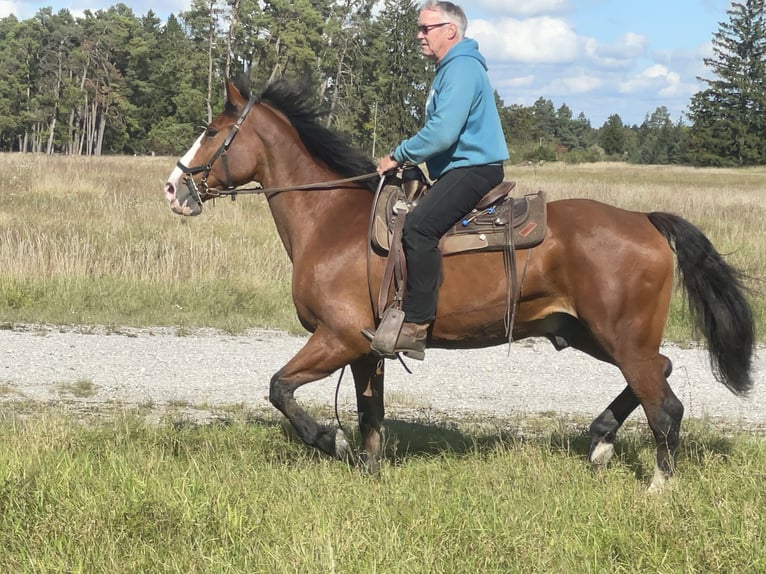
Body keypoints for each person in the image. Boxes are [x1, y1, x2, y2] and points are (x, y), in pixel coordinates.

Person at [366, 0, 509, 360]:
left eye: (425, 28)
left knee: (419, 228)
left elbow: (442, 132)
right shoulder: (450, 68)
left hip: (474, 168)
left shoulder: (461, 68)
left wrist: (398, 155)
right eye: (419, 28)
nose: (419, 35)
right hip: (459, 167)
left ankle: (416, 325)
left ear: (451, 30)